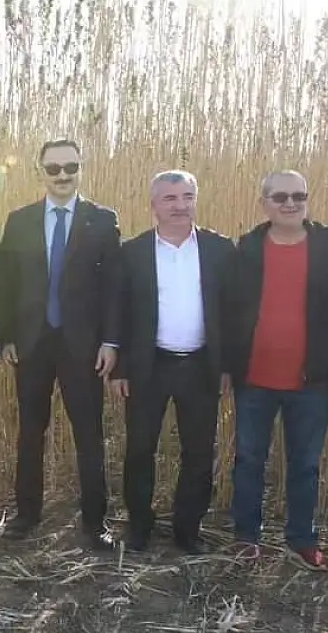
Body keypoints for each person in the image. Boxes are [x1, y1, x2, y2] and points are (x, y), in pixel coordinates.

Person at [0, 139, 120, 550]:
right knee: (31, 432)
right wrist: (4, 337)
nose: (62, 175)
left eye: (70, 167)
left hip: (83, 346)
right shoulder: (19, 221)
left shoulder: (102, 220)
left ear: (81, 168)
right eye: (53, 168)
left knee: (89, 434)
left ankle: (95, 522)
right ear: (40, 172)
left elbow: (113, 288)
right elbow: (5, 284)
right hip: (32, 343)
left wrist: (111, 341)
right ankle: (27, 514)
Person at [108, 169, 234, 554]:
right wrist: (120, 369)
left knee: (199, 452)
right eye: (170, 198)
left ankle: (187, 530)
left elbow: (232, 312)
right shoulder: (132, 252)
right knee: (139, 449)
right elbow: (119, 311)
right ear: (153, 205)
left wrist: (227, 366)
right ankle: (139, 527)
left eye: (187, 197)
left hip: (200, 366)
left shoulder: (220, 249)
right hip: (149, 366)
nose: (180, 206)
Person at [225, 170, 328, 570]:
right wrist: (228, 366)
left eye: (298, 196)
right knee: (249, 459)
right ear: (264, 203)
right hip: (254, 378)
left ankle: (302, 538)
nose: (290, 203)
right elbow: (230, 310)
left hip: (312, 380)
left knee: (305, 464)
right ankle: (246, 536)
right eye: (280, 197)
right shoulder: (247, 247)